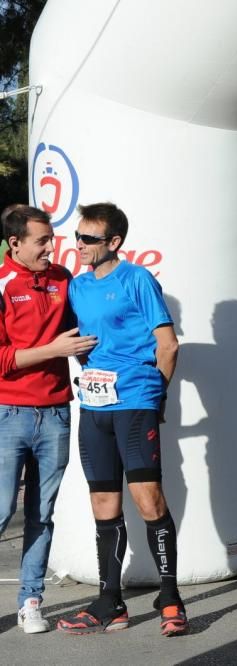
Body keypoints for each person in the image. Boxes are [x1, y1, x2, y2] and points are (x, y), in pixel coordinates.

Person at [56, 203, 186, 636]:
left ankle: (170, 597)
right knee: (103, 505)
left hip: (134, 403)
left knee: (148, 500)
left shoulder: (137, 280)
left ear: (114, 243)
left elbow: (168, 346)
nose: (79, 245)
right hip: (94, 408)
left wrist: (154, 397)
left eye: (89, 239)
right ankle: (110, 602)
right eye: (77, 237)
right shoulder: (77, 287)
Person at [0, 206, 96, 634]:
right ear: (14, 243)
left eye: (51, 238)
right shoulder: (3, 284)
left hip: (57, 412)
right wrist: (54, 350)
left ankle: (31, 602)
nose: (51, 247)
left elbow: (82, 335)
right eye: (41, 240)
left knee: (42, 513)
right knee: (2, 512)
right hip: (8, 414)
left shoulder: (62, 278)